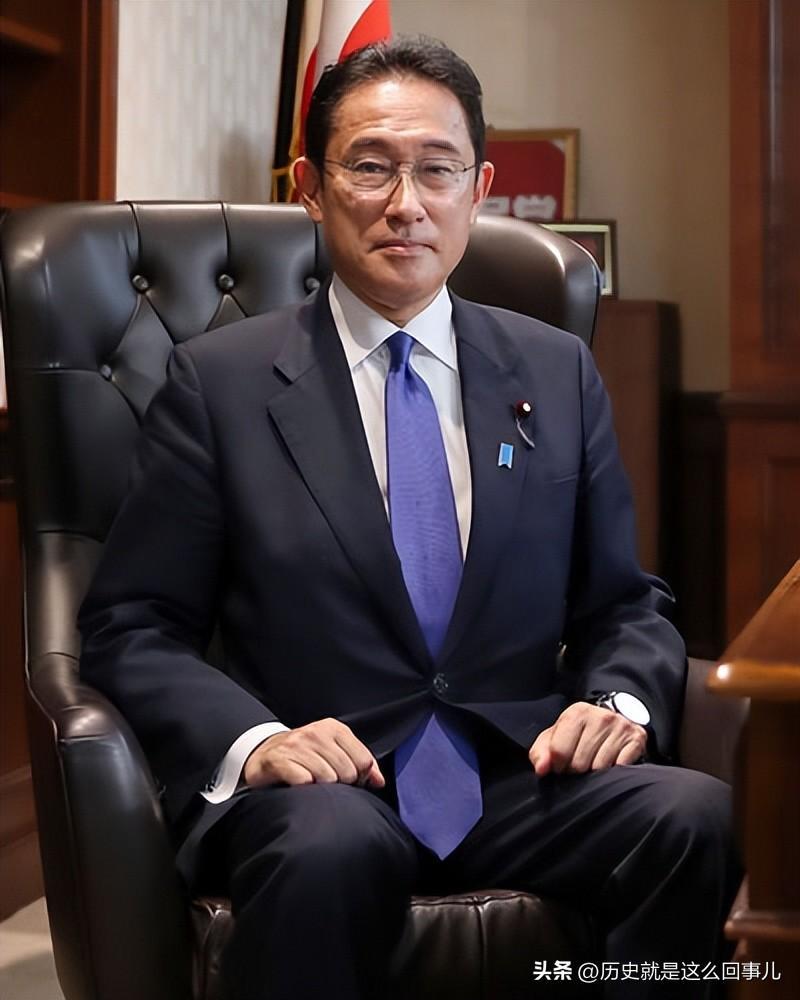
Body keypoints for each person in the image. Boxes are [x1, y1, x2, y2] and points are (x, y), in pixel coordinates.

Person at [79, 36, 738, 1000]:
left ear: (480, 189)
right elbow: (133, 626)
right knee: (329, 848)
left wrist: (619, 705)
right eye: (370, 167)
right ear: (311, 188)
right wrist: (257, 741)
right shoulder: (217, 385)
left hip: (518, 774)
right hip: (325, 783)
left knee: (693, 817)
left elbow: (623, 604)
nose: (406, 203)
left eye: (437, 169)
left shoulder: (554, 371)